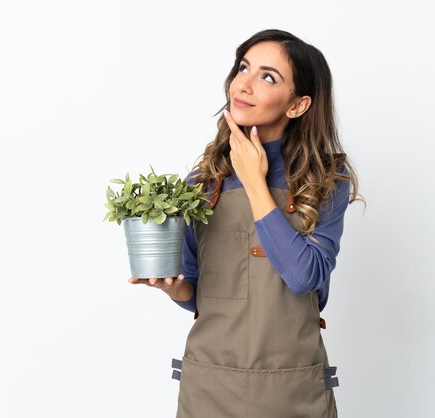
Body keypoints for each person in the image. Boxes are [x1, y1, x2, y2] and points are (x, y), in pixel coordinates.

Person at [129, 28, 362, 418]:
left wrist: (255, 181)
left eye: (268, 77)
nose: (245, 84)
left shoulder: (326, 180)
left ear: (298, 105)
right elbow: (198, 291)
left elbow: (305, 276)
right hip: (210, 388)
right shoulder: (203, 182)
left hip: (292, 391)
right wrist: (174, 289)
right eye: (244, 68)